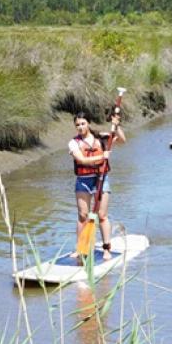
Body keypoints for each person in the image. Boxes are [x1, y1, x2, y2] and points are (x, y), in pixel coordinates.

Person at [69, 112, 125, 261]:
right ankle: (81, 248)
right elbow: (81, 160)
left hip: (101, 178)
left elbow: (122, 140)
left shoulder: (101, 137)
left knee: (101, 215)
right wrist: (102, 156)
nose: (80, 127)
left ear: (88, 123)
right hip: (83, 181)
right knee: (83, 216)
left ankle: (107, 249)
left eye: (83, 123)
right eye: (78, 125)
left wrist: (117, 125)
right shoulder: (73, 142)